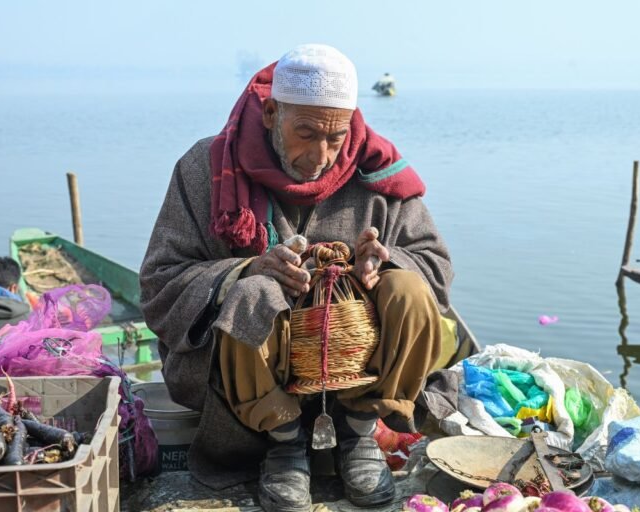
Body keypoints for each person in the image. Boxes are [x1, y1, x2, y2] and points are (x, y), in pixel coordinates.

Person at [140, 44, 454, 511]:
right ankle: (284, 444)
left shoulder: (376, 172)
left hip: (356, 378)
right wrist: (243, 269)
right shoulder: (205, 168)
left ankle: (358, 433)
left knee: (407, 288)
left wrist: (384, 263)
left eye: (335, 138)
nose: (320, 156)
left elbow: (434, 264)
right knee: (255, 292)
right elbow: (160, 283)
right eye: (305, 133)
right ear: (270, 113)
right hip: (251, 393)